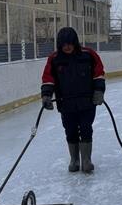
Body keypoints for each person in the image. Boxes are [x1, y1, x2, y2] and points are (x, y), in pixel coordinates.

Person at [41, 27, 106, 173]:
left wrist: (99, 91)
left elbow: (98, 74)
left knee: (86, 128)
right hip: (66, 104)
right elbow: (48, 78)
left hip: (87, 103)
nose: (67, 47)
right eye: (64, 44)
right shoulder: (54, 59)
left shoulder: (88, 55)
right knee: (70, 131)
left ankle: (86, 160)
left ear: (75, 42)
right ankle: (74, 160)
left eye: (70, 43)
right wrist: (46, 95)